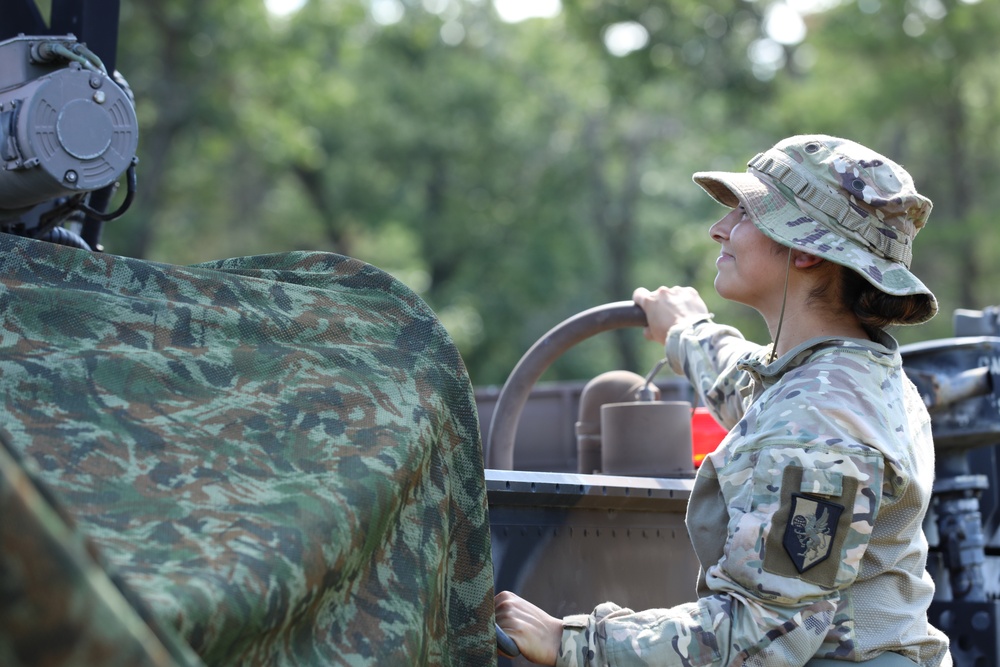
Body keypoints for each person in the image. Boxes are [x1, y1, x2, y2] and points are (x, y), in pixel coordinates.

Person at [494, 134, 953, 666]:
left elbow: (758, 635)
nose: (720, 228)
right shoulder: (849, 374)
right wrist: (687, 332)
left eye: (747, 214)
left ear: (804, 248)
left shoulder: (820, 422)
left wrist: (571, 640)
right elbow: (753, 386)